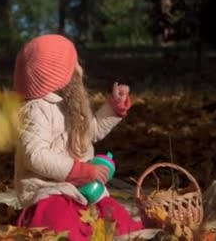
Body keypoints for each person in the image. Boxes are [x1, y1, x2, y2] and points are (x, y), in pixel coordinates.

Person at [12, 34, 144, 240]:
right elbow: (35, 155)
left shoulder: (71, 105)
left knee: (114, 215)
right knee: (58, 223)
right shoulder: (35, 111)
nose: (80, 70)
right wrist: (81, 170)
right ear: (59, 76)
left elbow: (92, 130)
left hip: (86, 190)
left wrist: (113, 108)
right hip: (50, 191)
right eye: (74, 65)